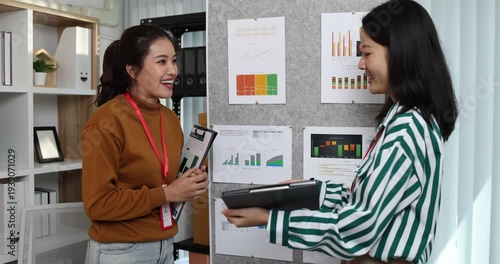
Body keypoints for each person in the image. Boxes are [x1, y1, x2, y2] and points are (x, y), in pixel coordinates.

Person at [221, 0, 458, 263]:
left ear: (400, 52)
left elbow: (361, 226)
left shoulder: (407, 130)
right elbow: (368, 200)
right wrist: (312, 191)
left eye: (367, 53)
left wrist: (271, 219)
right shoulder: (401, 118)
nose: (360, 64)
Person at [81, 24, 209, 264]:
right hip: (120, 251)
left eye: (173, 61)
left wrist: (189, 183)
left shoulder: (170, 119)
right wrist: (167, 193)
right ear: (133, 70)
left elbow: (163, 181)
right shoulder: (107, 121)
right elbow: (98, 204)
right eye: (161, 62)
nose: (173, 70)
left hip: (164, 246)